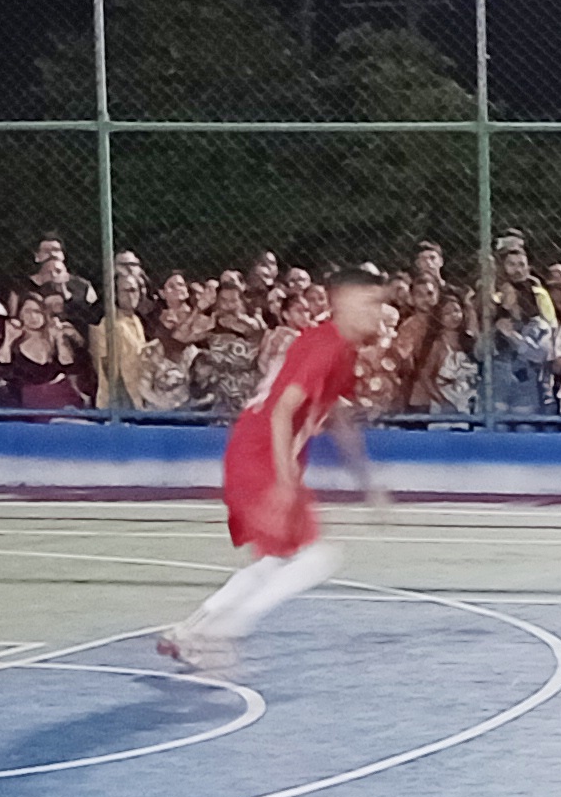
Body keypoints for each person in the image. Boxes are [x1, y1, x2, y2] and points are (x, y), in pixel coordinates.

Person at [158, 272, 393, 674]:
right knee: (318, 558)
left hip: (255, 452)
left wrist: (367, 483)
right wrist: (285, 484)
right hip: (262, 453)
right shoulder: (325, 346)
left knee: (277, 561)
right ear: (346, 302)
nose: (382, 313)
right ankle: (229, 627)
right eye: (372, 302)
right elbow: (284, 409)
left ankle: (192, 630)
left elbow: (338, 419)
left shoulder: (339, 350)